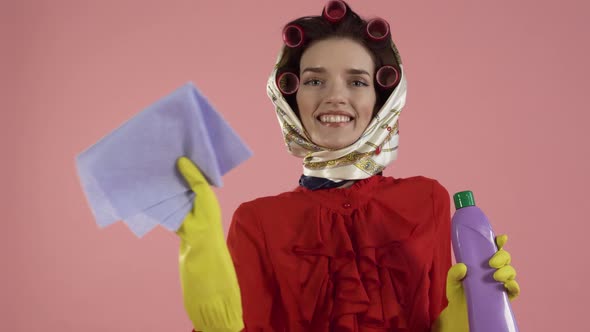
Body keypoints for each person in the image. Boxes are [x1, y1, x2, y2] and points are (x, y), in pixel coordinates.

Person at [174, 1, 520, 331]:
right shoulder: (257, 221)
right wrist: (202, 255)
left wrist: (465, 317)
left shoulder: (426, 200)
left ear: (382, 100)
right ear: (290, 99)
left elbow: (434, 317)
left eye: (357, 81)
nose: (335, 96)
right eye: (314, 81)